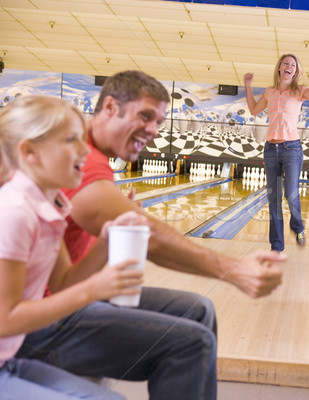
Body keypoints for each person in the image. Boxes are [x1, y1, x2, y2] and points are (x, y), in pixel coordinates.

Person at [15, 71, 286, 400]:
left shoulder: (75, 168)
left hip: (66, 293)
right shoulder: (70, 168)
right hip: (41, 322)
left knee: (198, 310)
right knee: (189, 343)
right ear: (111, 107)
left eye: (159, 122)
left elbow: (66, 276)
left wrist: (108, 241)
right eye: (145, 116)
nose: (154, 131)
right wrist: (232, 268)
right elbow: (152, 237)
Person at [0, 95, 149, 399]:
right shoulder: (15, 212)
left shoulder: (49, 205)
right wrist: (94, 290)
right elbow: (5, 319)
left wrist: (105, 244)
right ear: (30, 152)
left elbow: (64, 283)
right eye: (71, 140)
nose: (85, 149)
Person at [245, 54, 309, 252]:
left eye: (293, 65)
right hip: (270, 150)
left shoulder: (300, 91)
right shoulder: (269, 92)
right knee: (273, 198)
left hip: (291, 149)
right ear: (280, 68)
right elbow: (253, 110)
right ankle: (276, 246)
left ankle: (298, 226)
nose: (289, 66)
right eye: (286, 63)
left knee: (291, 194)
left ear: (296, 71)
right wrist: (248, 86)